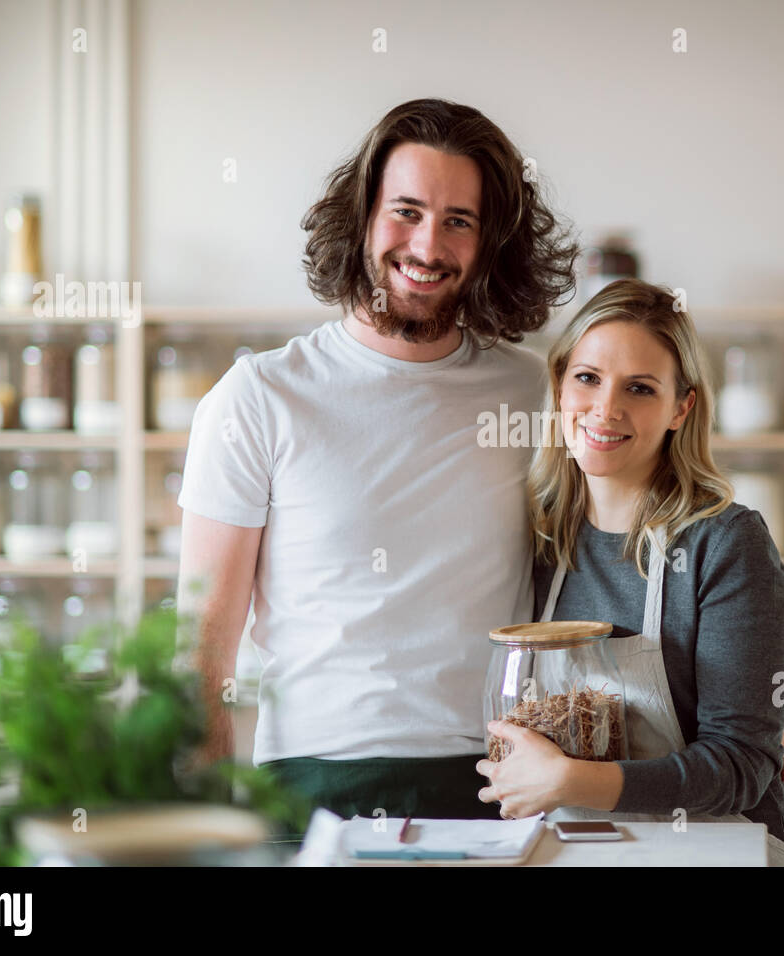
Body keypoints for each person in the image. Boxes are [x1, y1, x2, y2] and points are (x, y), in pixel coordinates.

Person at [176, 98, 576, 820]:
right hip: (308, 792)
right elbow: (201, 653)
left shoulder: (535, 391)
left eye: (460, 221)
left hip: (498, 787)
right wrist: (206, 830)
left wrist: (720, 740)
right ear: (361, 215)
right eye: (407, 211)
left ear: (490, 245)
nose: (427, 246)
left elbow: (606, 578)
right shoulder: (259, 397)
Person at [475, 279, 784, 864]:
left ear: (683, 407)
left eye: (640, 388)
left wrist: (569, 782)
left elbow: (744, 766)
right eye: (587, 378)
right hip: (581, 852)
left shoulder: (725, 543)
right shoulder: (541, 537)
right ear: (558, 384)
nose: (606, 408)